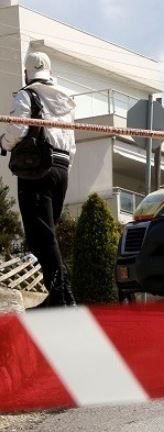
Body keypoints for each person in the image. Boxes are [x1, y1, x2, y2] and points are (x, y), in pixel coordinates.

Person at [0, 52, 77, 307]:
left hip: (37, 170)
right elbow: (71, 142)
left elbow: (18, 129)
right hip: (62, 169)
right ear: (49, 72)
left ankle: (60, 296)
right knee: (48, 235)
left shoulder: (27, 94)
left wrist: (4, 143)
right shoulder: (64, 100)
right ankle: (63, 294)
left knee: (39, 237)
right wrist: (64, 169)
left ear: (27, 73)